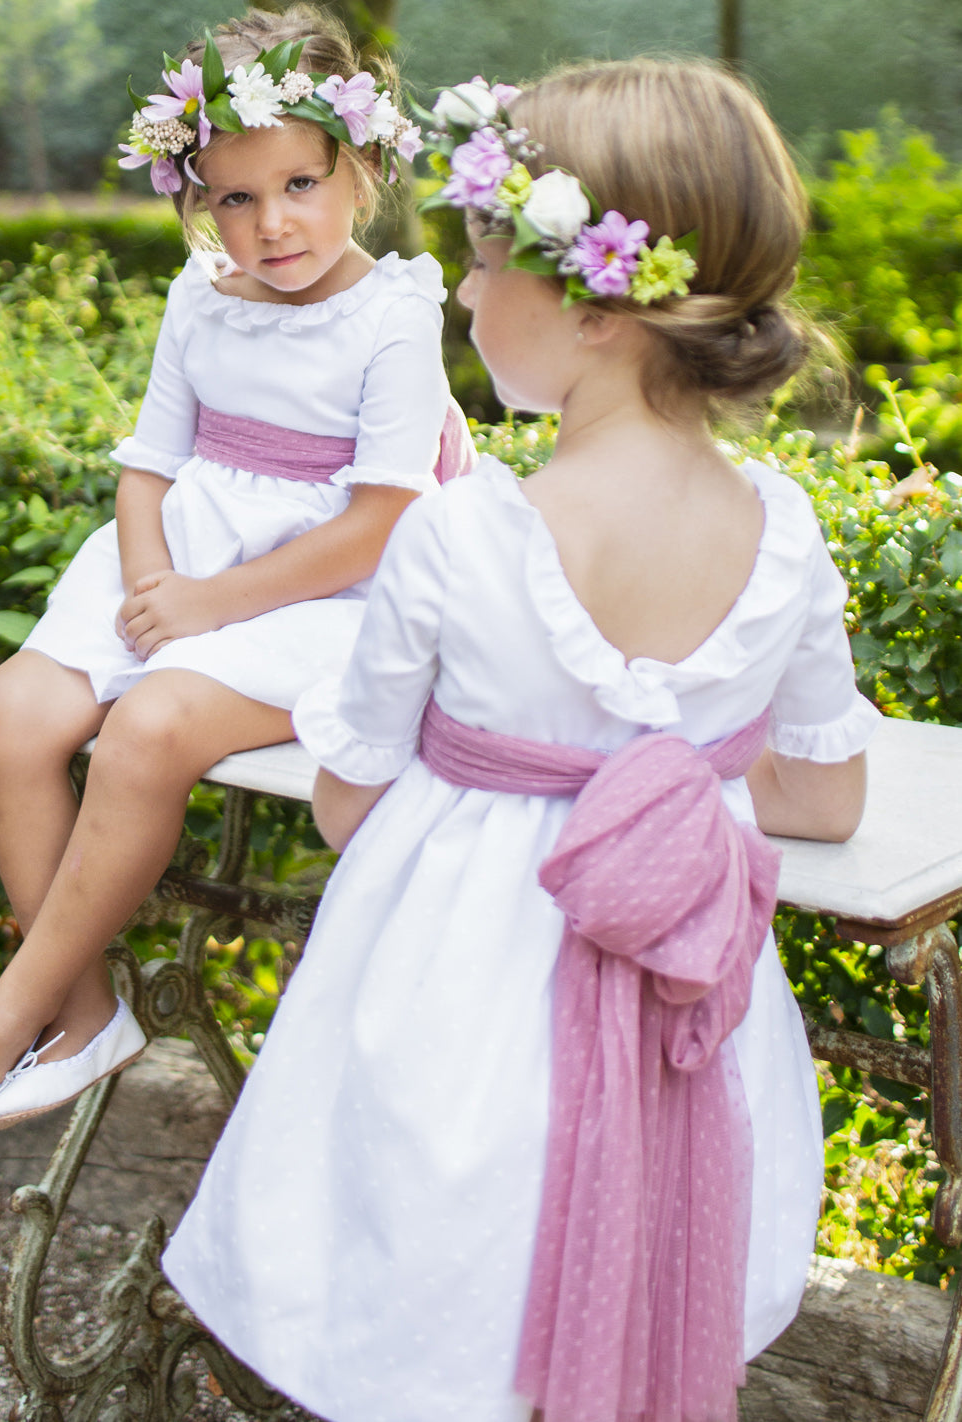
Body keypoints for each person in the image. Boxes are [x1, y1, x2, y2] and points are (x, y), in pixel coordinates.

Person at [161, 60, 881, 1422]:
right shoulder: (784, 530)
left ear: (601, 301)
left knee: (449, 1295)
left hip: (461, 1008)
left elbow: (347, 804)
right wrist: (677, 791)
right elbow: (829, 795)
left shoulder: (461, 530)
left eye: (487, 260)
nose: (467, 295)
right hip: (688, 1020)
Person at [0, 3, 470, 1155]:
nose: (270, 224)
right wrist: (152, 583)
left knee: (148, 727)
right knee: (10, 715)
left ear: (358, 170)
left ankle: (14, 1001)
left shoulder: (392, 312)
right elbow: (148, 465)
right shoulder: (201, 295)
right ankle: (88, 1011)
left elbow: (377, 526)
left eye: (299, 185)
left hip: (326, 594)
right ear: (198, 199)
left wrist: (202, 612)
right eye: (234, 199)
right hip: (182, 555)